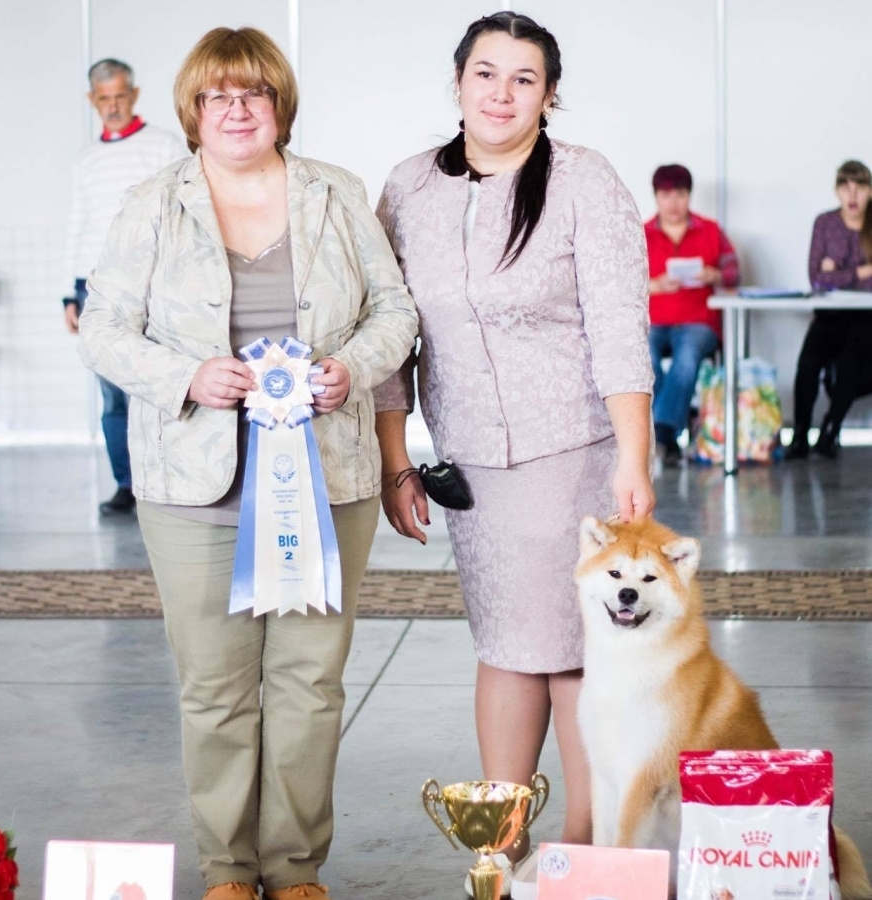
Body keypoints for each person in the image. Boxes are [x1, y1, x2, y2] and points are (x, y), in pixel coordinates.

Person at [78, 27, 417, 900]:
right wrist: (186, 375)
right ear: (193, 112)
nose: (237, 108)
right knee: (215, 692)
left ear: (279, 106)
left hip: (330, 482)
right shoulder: (153, 203)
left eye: (254, 93)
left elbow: (397, 311)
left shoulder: (337, 195)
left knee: (310, 686)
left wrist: (356, 367)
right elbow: (106, 331)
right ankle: (229, 872)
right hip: (192, 493)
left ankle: (295, 870)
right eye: (217, 95)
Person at [372, 11, 655, 897]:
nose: (501, 93)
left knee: (571, 650)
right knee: (502, 641)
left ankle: (583, 841)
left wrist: (634, 459)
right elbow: (391, 333)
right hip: (469, 465)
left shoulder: (584, 180)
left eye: (523, 78)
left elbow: (620, 326)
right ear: (457, 84)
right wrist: (396, 457)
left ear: (549, 93)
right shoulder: (409, 186)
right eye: (486, 74)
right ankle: (501, 845)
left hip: (572, 448)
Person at [62, 58, 186, 515]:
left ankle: (170, 481)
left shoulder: (163, 146)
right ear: (93, 101)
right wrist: (70, 293)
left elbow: (180, 211)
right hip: (96, 290)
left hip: (155, 285)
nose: (112, 106)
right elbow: (78, 226)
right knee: (113, 395)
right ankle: (126, 486)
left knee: (162, 386)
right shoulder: (87, 159)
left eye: (120, 96)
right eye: (104, 99)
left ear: (133, 95)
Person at [645, 164, 740, 466]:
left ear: (689, 196)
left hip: (699, 321)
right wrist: (655, 285)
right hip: (654, 320)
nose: (673, 203)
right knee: (643, 355)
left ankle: (660, 433)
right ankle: (667, 434)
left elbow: (733, 272)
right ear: (657, 197)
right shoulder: (641, 233)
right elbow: (621, 280)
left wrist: (714, 274)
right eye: (666, 195)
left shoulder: (710, 230)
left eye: (680, 195)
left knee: (687, 356)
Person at [785, 160, 872, 460]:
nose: (853, 194)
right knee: (808, 363)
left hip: (865, 316)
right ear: (837, 190)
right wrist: (861, 272)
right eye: (845, 186)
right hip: (830, 313)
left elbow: (830, 276)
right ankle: (799, 433)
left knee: (851, 364)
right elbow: (818, 279)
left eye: (860, 186)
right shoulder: (825, 223)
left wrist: (838, 271)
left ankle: (830, 430)